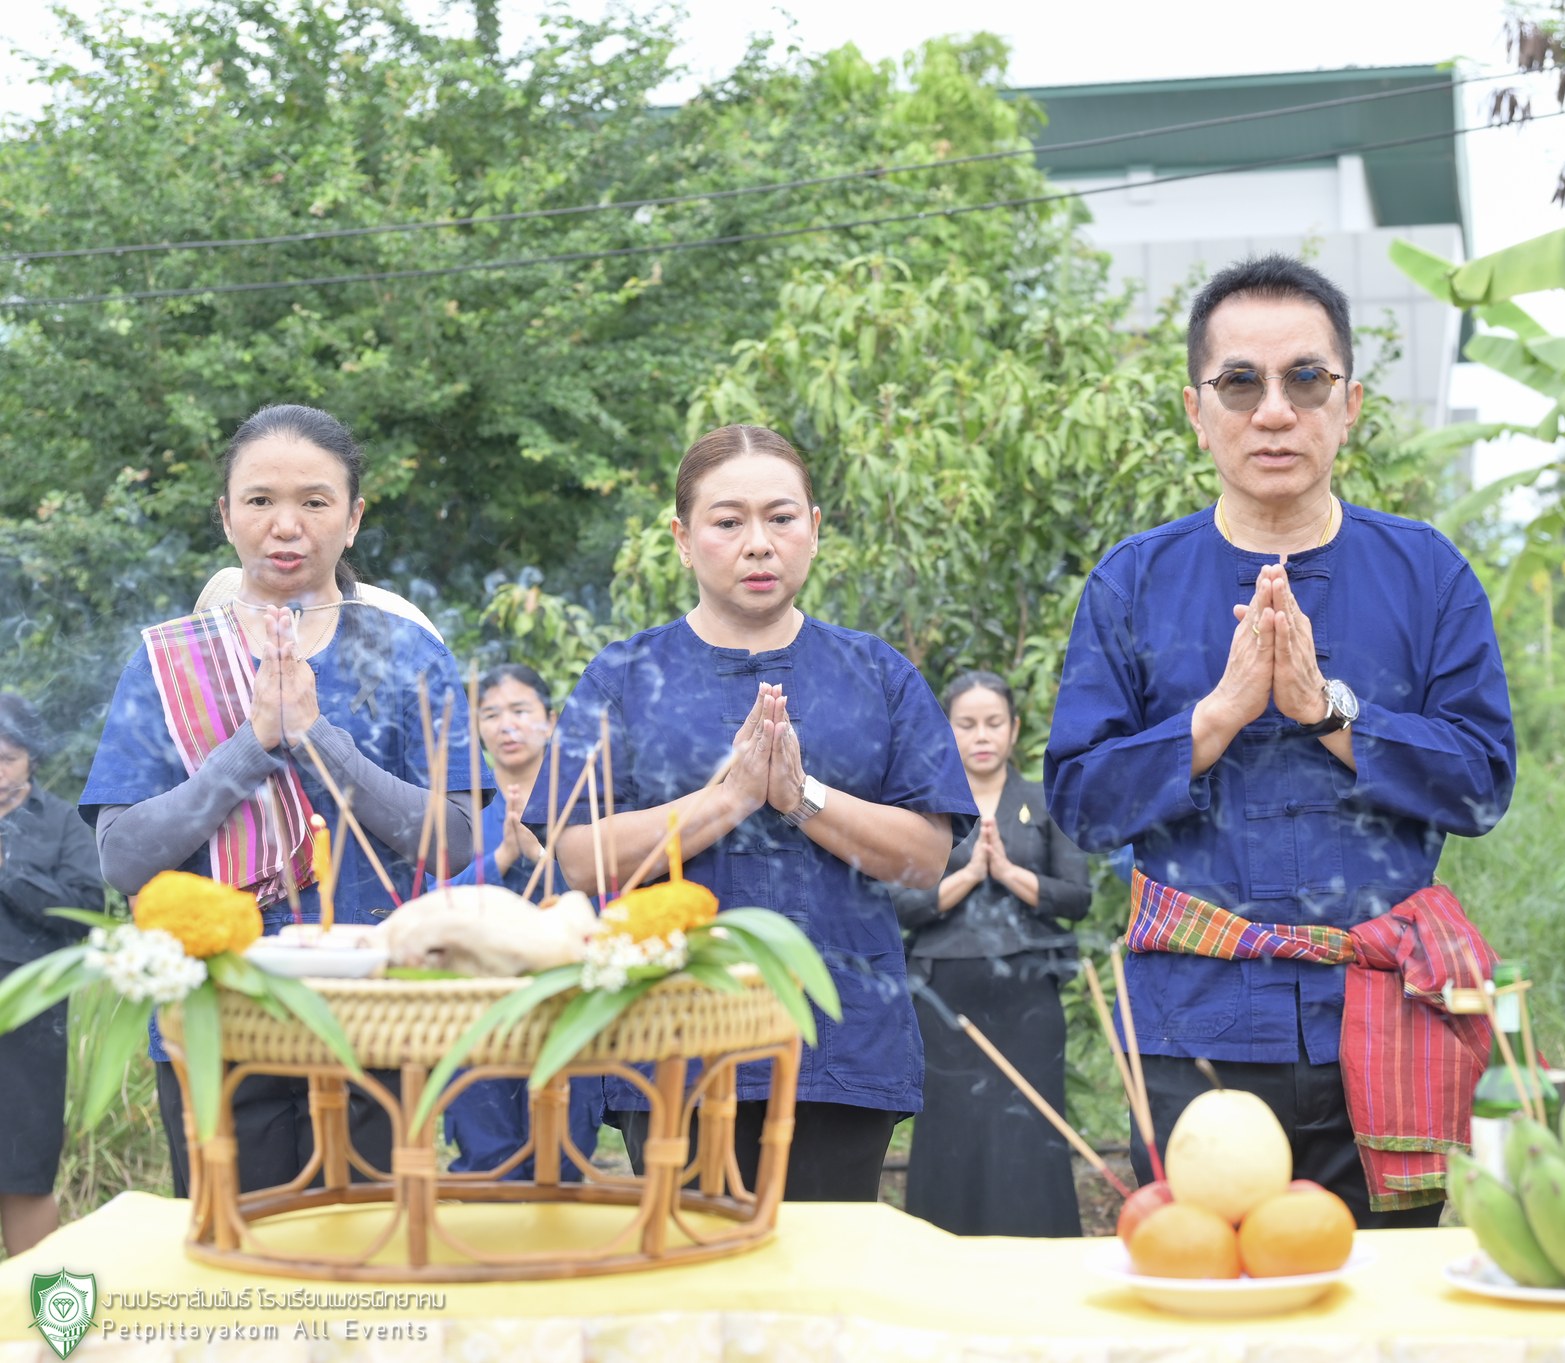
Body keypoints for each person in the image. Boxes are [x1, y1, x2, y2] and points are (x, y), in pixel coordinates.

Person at [1044, 255, 1516, 1226]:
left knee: (1379, 1307)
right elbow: (1081, 803)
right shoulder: (1133, 582)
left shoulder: (1424, 573)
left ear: (1347, 405)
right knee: (1200, 1295)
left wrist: (1327, 713)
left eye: (1305, 380)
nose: (1273, 412)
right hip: (1193, 1024)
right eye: (1240, 383)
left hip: (1386, 1019)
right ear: (1195, 408)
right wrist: (1211, 718)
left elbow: (1479, 787)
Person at [532, 424, 974, 1202]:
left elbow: (927, 856)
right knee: (698, 1282)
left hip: (839, 1034)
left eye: (781, 517)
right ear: (683, 537)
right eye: (728, 521)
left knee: (825, 1281)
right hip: (669, 1032)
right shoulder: (625, 677)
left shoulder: (878, 674)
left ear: (814, 527)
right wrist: (727, 799)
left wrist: (803, 797)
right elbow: (577, 856)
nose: (758, 543)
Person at [79, 403, 486, 1194]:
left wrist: (317, 738)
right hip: (216, 1015)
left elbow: (459, 839)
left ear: (355, 517)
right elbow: (120, 856)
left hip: (377, 1014)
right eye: (260, 500)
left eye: (315, 501)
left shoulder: (407, 656)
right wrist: (252, 743)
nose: (286, 525)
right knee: (239, 1269)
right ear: (226, 515)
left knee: (367, 1259)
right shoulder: (170, 662)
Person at [893, 671, 1091, 1237]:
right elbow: (900, 904)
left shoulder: (1043, 800)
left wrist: (1006, 872)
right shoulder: (924, 806)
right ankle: (946, 1251)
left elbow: (1077, 898)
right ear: (947, 731)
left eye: (994, 723)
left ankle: (1042, 1251)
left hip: (1028, 989)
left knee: (1032, 1125)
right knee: (951, 1125)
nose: (982, 736)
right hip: (944, 991)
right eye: (967, 724)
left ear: (1014, 729)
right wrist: (971, 874)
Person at [439, 663, 607, 1180]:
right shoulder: (465, 813)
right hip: (478, 1009)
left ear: (551, 721)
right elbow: (433, 909)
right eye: (490, 714)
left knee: (563, 1153)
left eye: (520, 711)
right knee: (488, 1161)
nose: (505, 726)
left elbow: (605, 901)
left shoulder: (581, 804)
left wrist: (543, 858)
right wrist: (502, 857)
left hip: (565, 1006)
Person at [0, 695, 103, 1255]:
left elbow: (85, 911)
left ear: (31, 759)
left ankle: (46, 1330)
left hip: (32, 1024)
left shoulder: (61, 822)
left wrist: (9, 873)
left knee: (22, 1169)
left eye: (7, 759)